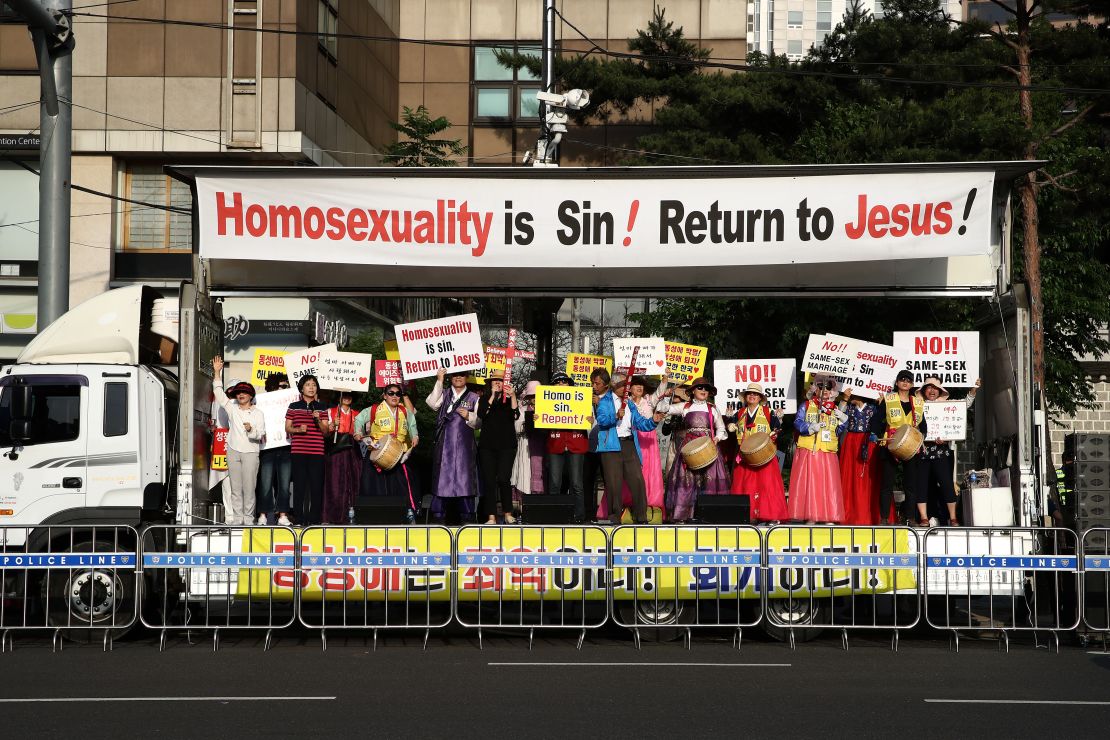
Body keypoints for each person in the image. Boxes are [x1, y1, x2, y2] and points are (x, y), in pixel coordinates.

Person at [592, 369, 665, 525]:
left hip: (629, 444)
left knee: (637, 480)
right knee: (613, 483)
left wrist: (654, 420)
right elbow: (602, 420)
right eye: (624, 385)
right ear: (615, 385)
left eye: (628, 385)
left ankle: (641, 517)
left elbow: (640, 423)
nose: (627, 388)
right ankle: (614, 518)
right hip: (611, 446)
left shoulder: (630, 404)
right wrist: (615, 416)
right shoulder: (605, 401)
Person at [663, 376, 730, 522]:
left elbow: (721, 428)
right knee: (687, 481)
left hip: (709, 448)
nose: (703, 390)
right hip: (689, 448)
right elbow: (664, 409)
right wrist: (664, 394)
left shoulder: (713, 408)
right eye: (700, 387)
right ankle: (685, 515)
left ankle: (710, 515)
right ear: (693, 391)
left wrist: (717, 439)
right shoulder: (685, 407)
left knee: (709, 480)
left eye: (706, 388)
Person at [211, 357, 265, 526]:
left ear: (250, 396)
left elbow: (261, 433)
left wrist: (251, 430)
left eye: (244, 392)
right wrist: (217, 372)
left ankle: (248, 520)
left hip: (251, 452)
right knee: (235, 488)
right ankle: (236, 519)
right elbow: (219, 393)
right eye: (238, 393)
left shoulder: (258, 413)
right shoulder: (232, 409)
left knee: (249, 488)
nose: (241, 395)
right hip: (233, 450)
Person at [869, 369, 927, 525]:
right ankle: (884, 518)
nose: (905, 382)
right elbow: (876, 419)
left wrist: (921, 439)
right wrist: (874, 432)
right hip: (890, 444)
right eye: (902, 379)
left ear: (912, 384)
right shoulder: (889, 399)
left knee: (910, 484)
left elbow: (923, 426)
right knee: (887, 483)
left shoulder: (918, 403)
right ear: (897, 382)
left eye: (908, 380)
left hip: (910, 446)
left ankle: (910, 517)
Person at [354, 382, 419, 521]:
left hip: (399, 454)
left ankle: (406, 513)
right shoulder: (374, 409)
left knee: (401, 485)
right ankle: (374, 516)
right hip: (378, 452)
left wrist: (415, 436)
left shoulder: (404, 411)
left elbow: (412, 423)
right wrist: (358, 433)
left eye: (398, 393)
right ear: (384, 395)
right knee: (374, 486)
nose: (394, 396)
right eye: (391, 393)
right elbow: (359, 419)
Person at [788, 378, 847, 524]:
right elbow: (797, 422)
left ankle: (828, 515)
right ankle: (811, 515)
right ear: (816, 389)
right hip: (810, 449)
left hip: (827, 451)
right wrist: (809, 427)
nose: (825, 390)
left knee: (828, 484)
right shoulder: (807, 405)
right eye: (822, 386)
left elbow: (837, 431)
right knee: (811, 484)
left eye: (828, 387)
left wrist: (843, 422)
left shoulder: (835, 409)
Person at [426, 367, 480, 523]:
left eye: (462, 375)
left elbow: (479, 423)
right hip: (444, 446)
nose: (458, 377)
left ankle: (467, 521)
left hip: (465, 448)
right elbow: (431, 403)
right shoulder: (444, 393)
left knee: (465, 483)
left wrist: (469, 415)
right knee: (441, 483)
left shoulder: (474, 397)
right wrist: (439, 379)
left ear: (467, 377)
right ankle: (438, 521)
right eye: (455, 374)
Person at [730, 383, 788, 524]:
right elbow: (732, 426)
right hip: (745, 456)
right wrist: (729, 425)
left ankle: (770, 515)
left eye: (755, 394)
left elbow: (777, 429)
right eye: (750, 393)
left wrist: (775, 430)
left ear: (760, 397)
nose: (752, 396)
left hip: (764, 456)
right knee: (746, 485)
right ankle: (748, 515)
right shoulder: (740, 413)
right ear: (745, 396)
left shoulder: (768, 412)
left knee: (767, 485)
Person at [539, 372, 590, 520]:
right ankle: (555, 515)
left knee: (576, 484)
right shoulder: (547, 401)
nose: (561, 384)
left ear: (570, 384)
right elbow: (542, 427)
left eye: (564, 382)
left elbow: (590, 422)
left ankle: (579, 516)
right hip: (556, 444)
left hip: (576, 443)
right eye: (557, 382)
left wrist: (590, 418)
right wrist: (539, 418)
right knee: (554, 483)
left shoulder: (581, 399)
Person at [914, 377, 961, 526]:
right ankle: (923, 517)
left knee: (947, 484)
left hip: (941, 451)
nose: (932, 391)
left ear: (940, 391)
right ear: (923, 391)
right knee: (921, 485)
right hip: (923, 451)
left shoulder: (946, 405)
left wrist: (973, 391)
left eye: (935, 388)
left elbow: (963, 410)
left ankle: (953, 517)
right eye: (928, 388)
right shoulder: (916, 406)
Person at [477, 370, 520, 524]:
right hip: (487, 446)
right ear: (490, 383)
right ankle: (491, 516)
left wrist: (513, 395)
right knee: (489, 480)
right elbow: (481, 414)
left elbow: (516, 415)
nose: (497, 382)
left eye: (500, 380)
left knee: (503, 479)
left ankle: (508, 513)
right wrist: (491, 396)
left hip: (507, 446)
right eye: (494, 380)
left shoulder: (509, 399)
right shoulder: (483, 398)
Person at [285, 374, 328, 525]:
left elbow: (326, 432)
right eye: (308, 384)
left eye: (314, 385)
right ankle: (299, 519)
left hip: (317, 452)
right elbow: (287, 427)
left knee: (316, 487)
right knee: (299, 486)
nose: (311, 387)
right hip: (298, 452)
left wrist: (318, 420)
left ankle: (314, 520)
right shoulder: (294, 406)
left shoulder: (322, 407)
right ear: (302, 388)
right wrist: (298, 430)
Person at [838, 391, 881, 525]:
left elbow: (882, 421)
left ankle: (868, 514)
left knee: (868, 478)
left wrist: (882, 404)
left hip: (868, 441)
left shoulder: (874, 407)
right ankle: (847, 513)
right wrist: (844, 399)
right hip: (850, 442)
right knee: (848, 477)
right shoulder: (849, 406)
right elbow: (837, 416)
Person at [257, 373, 293, 525]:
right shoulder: (260, 403)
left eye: (287, 387)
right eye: (283, 386)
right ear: (272, 387)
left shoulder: (291, 404)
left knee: (284, 484)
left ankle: (283, 515)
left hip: (286, 446)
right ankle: (263, 515)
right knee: (265, 484)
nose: (285, 389)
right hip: (267, 447)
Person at [322, 390, 361, 524]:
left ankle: (351, 515)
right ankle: (331, 515)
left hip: (352, 451)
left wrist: (359, 434)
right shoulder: (329, 411)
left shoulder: (357, 414)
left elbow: (362, 432)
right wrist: (332, 426)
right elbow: (324, 433)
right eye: (344, 395)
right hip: (335, 451)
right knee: (334, 482)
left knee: (352, 482)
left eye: (350, 395)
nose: (347, 398)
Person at [511, 379, 545, 507]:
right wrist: (529, 421)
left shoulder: (549, 409)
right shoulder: (523, 410)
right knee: (524, 478)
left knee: (541, 474)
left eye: (537, 395)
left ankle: (540, 507)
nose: (534, 398)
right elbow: (516, 427)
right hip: (526, 447)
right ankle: (524, 508)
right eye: (531, 396)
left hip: (544, 448)